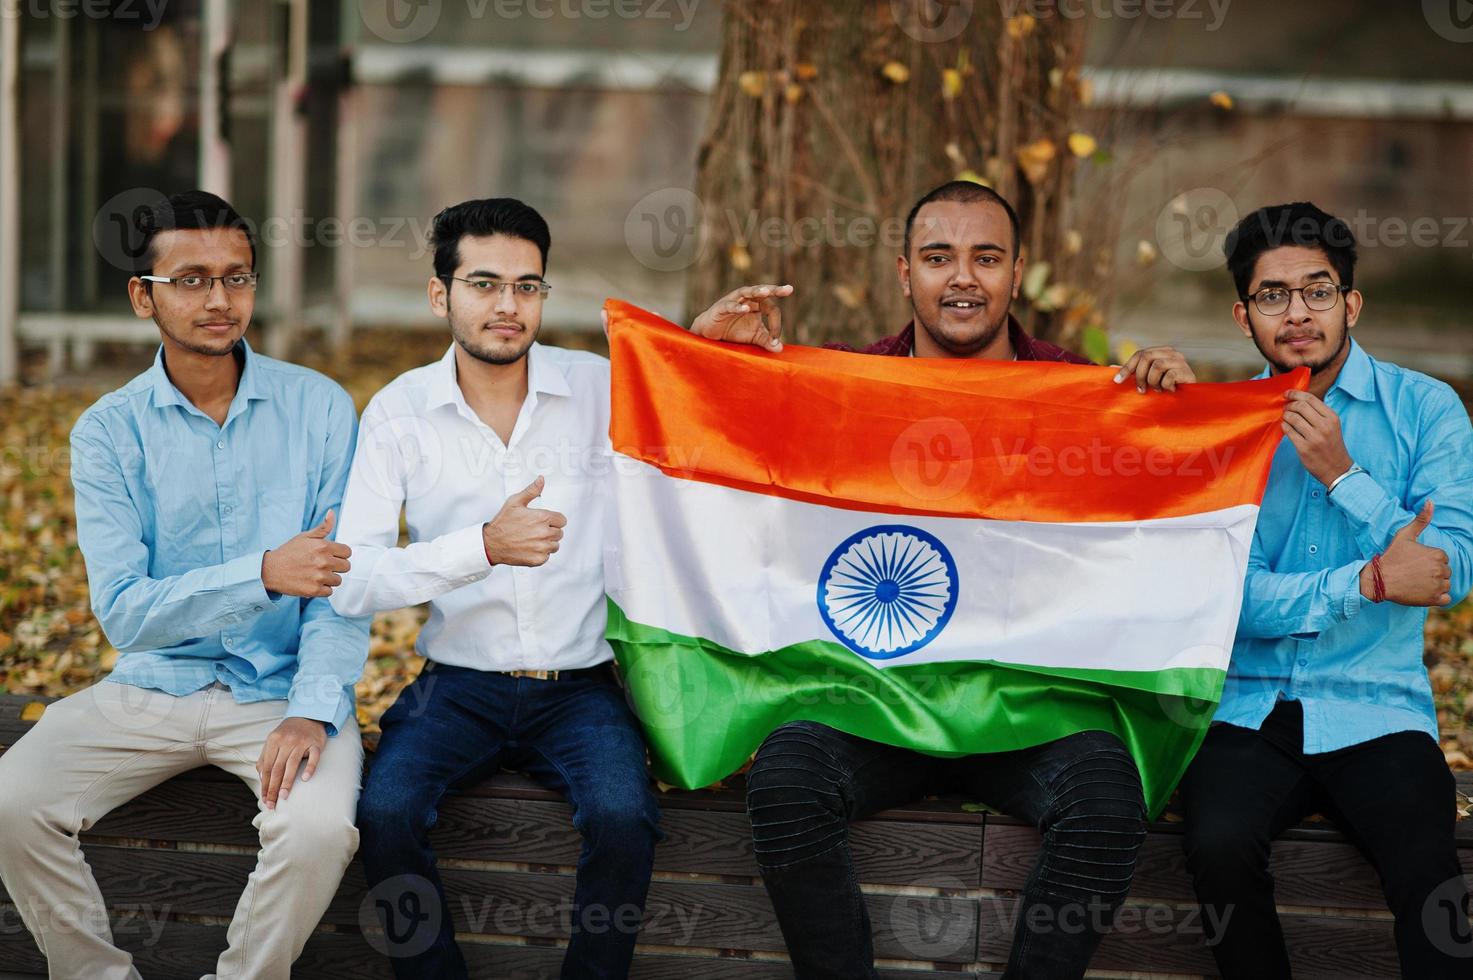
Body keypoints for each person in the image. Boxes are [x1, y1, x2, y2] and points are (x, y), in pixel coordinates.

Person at [684, 179, 1193, 979]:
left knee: (1107, 803)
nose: (962, 278)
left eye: (985, 258)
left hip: (1027, 702)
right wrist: (704, 356)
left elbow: (1162, 528)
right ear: (902, 273)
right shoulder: (848, 388)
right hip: (876, 695)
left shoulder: (1084, 395)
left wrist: (1173, 419)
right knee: (785, 780)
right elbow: (716, 465)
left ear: (1017, 272)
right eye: (937, 257)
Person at [0, 190, 369, 979]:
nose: (219, 300)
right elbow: (125, 614)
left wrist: (312, 710)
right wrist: (264, 574)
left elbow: (342, 591)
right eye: (192, 279)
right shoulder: (107, 430)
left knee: (317, 830)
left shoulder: (321, 409)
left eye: (237, 278)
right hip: (152, 685)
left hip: (280, 690)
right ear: (144, 295)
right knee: (10, 800)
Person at [333, 198, 661, 980]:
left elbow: (693, 414)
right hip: (457, 685)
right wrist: (479, 548)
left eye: (527, 285)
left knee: (624, 816)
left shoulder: (599, 388)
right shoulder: (398, 412)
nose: (507, 306)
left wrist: (712, 347)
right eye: (483, 283)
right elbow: (353, 581)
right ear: (439, 294)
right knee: (382, 814)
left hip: (582, 685)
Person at [1177, 201, 1473, 978]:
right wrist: (1369, 580)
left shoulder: (1427, 409)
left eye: (1316, 290)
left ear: (1351, 303)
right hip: (1246, 704)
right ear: (1244, 317)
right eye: (1272, 295)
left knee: (1429, 870)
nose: (1297, 313)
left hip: (1375, 702)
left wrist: (1343, 476)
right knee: (1214, 846)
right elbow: (1224, 598)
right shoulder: (1222, 426)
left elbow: (1444, 571)